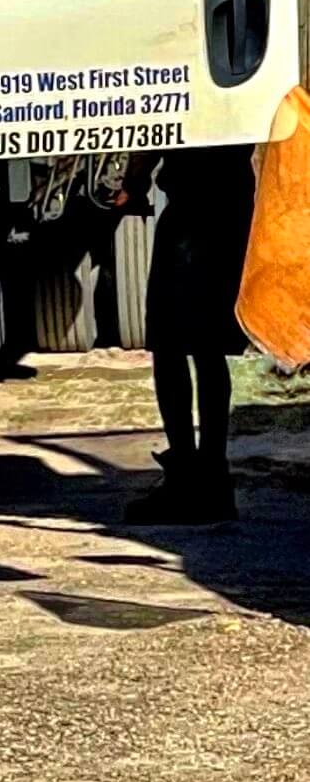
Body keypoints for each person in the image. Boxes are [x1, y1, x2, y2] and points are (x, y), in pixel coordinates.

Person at [123, 145, 256, 524]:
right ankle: (212, 475)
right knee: (207, 347)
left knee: (170, 344)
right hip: (232, 203)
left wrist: (134, 180)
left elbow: (160, 122)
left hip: (193, 209)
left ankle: (186, 477)